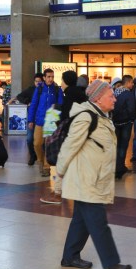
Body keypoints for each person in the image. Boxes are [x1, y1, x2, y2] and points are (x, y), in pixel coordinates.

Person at [57, 79, 132, 269]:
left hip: (94, 177)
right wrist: (59, 174)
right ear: (98, 98)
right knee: (98, 223)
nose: (115, 99)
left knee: (81, 220)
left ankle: (70, 256)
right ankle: (111, 264)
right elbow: (69, 146)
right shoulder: (86, 118)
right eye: (111, 96)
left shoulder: (102, 116)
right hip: (86, 179)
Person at [42, 71, 88, 204]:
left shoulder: (70, 96)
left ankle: (57, 193)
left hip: (71, 135)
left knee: (63, 162)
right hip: (81, 133)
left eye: (62, 80)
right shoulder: (81, 94)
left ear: (66, 81)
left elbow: (66, 117)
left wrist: (55, 116)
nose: (61, 83)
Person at [28, 68, 63, 176]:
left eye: (52, 76)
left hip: (51, 120)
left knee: (48, 145)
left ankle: (47, 167)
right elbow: (33, 104)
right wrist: (30, 119)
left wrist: (57, 118)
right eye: (48, 77)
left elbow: (61, 105)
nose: (50, 79)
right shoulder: (39, 89)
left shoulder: (57, 90)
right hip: (39, 120)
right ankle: (40, 161)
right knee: (37, 143)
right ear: (44, 77)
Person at [112, 75, 136, 179]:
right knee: (123, 145)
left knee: (116, 145)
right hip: (126, 122)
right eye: (131, 83)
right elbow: (131, 109)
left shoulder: (115, 92)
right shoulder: (128, 94)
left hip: (115, 122)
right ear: (127, 82)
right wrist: (132, 119)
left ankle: (114, 166)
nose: (132, 85)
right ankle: (120, 168)